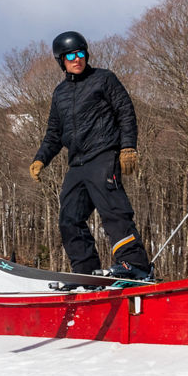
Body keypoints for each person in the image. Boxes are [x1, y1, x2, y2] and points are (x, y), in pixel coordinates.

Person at [29, 30, 153, 281]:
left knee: (113, 211)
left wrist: (128, 147)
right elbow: (54, 133)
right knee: (69, 219)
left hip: (103, 156)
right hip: (77, 164)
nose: (78, 59)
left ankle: (135, 264)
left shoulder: (104, 79)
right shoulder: (59, 94)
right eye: (71, 55)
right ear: (61, 61)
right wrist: (41, 158)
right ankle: (86, 274)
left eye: (81, 53)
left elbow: (125, 112)